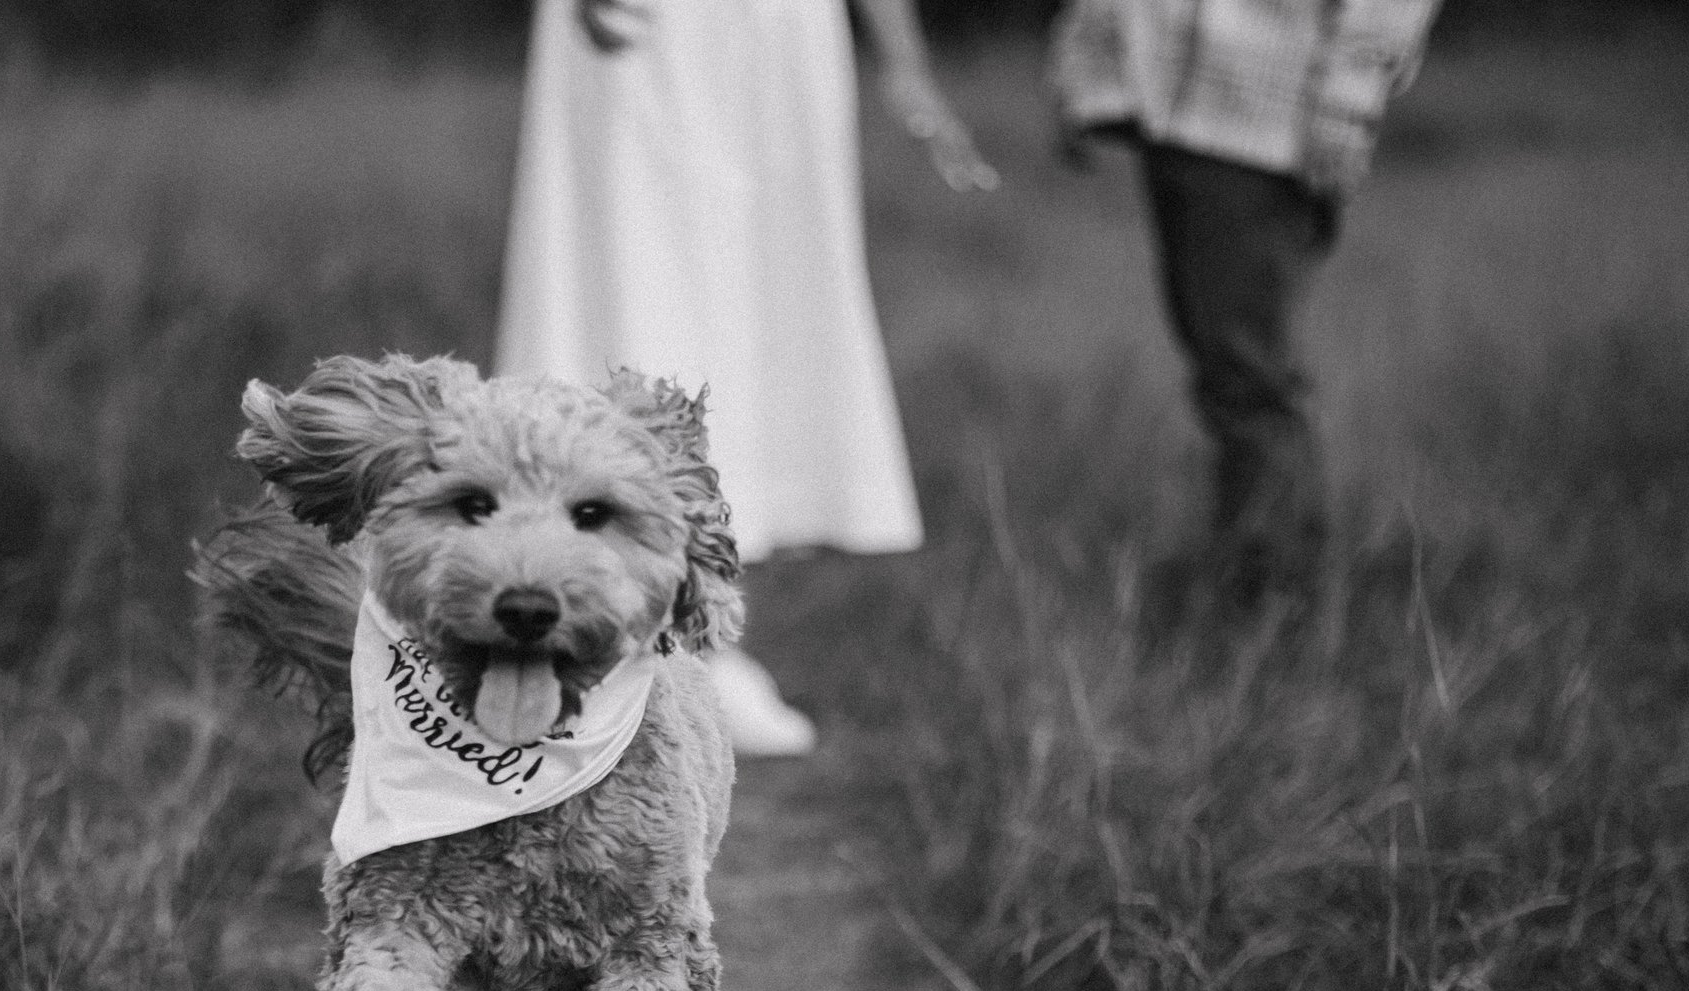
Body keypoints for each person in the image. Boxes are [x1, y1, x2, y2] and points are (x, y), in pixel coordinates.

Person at [497, 0, 995, 757]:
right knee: (626, 281)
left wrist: (904, 61)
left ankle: (698, 633)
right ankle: (571, 614)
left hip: (772, 34)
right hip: (642, 29)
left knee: (760, 298)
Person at [1047, 0, 1443, 614]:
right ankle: (1258, 584)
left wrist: (1349, 96)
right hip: (1173, 105)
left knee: (1248, 379)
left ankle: (1275, 603)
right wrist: (1089, 65)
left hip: (1267, 116)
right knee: (1227, 369)